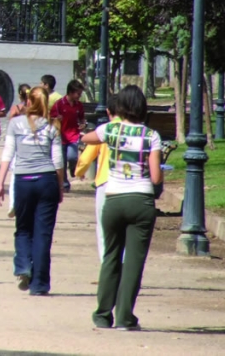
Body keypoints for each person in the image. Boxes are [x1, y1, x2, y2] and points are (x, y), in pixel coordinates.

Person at [84, 86, 163, 331]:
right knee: (134, 262)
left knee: (111, 257)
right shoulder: (152, 136)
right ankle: (125, 317)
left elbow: (86, 138)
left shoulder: (110, 130)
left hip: (114, 199)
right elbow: (156, 177)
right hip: (141, 201)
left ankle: (102, 314)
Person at [0, 86, 63, 295]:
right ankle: (40, 284)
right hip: (47, 180)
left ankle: (23, 265)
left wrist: (0, 183)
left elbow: (8, 153)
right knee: (43, 233)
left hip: (23, 180)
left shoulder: (15, 124)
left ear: (28, 102)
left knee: (23, 228)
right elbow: (58, 160)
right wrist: (60, 187)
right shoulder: (53, 126)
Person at [75, 92, 121, 261]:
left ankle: (106, 264)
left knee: (103, 227)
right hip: (129, 184)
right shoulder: (136, 129)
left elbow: (87, 156)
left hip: (105, 182)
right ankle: (123, 262)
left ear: (109, 111)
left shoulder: (105, 131)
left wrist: (79, 171)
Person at [50, 79, 86, 192]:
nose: (79, 96)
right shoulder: (59, 104)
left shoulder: (79, 105)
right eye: (78, 94)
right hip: (61, 136)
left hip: (73, 135)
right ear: (70, 92)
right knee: (62, 161)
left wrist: (83, 124)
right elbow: (50, 119)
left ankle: (73, 167)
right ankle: (65, 184)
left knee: (72, 156)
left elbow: (82, 118)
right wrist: (56, 119)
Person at [6, 83, 33, 216]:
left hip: (18, 145)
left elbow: (10, 124)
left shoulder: (16, 109)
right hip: (32, 146)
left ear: (19, 95)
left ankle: (13, 203)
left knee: (14, 178)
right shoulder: (35, 110)